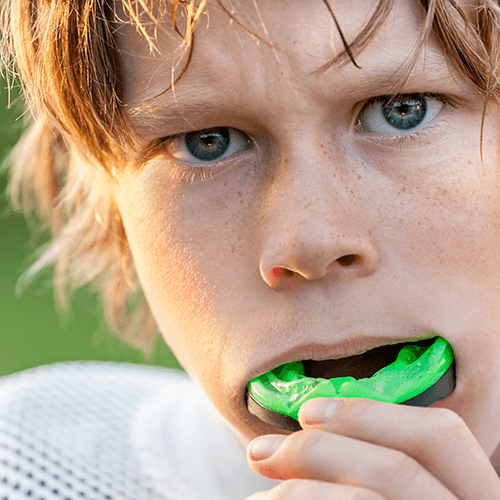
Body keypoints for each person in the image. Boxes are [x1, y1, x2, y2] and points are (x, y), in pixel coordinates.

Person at [1, 0, 500, 498]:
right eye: (207, 142)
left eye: (402, 111)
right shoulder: (25, 470)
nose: (311, 242)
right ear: (108, 205)